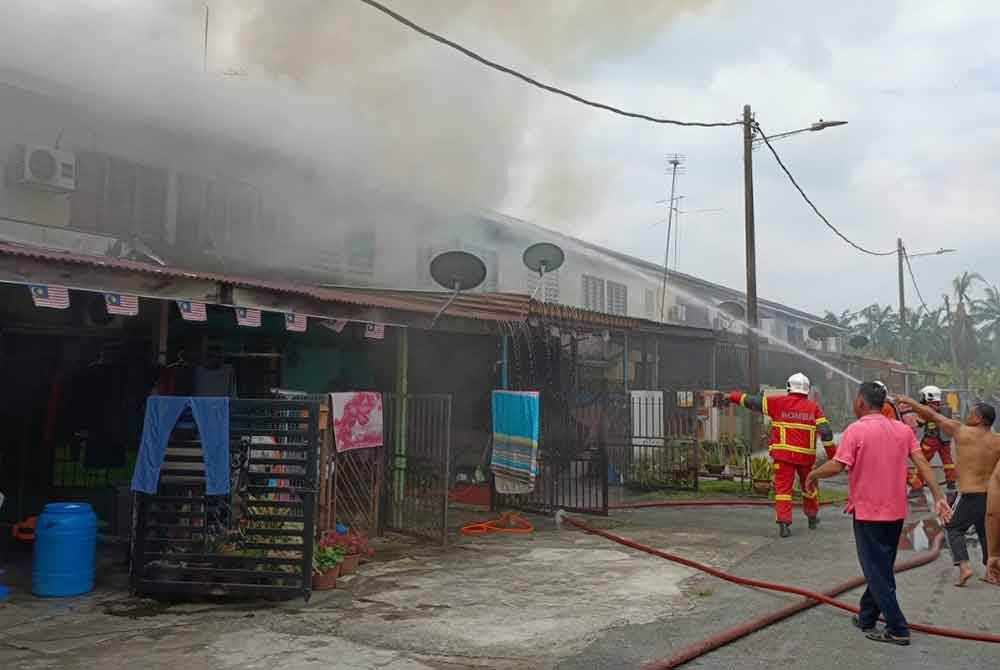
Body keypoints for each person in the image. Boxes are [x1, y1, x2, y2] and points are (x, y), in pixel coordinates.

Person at [806, 382, 951, 646]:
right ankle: (867, 616)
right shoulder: (902, 430)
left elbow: (838, 465)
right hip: (896, 511)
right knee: (881, 567)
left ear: (861, 401)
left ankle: (898, 628)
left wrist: (814, 474)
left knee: (876, 572)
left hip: (868, 513)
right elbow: (922, 464)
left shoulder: (856, 430)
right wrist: (939, 496)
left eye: (855, 399)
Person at [897, 394, 1000, 586]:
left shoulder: (961, 430)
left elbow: (932, 415)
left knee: (952, 528)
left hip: (970, 494)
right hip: (991, 496)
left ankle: (964, 566)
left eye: (971, 413)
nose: (968, 415)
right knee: (984, 531)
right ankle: (990, 571)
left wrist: (910, 403)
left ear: (979, 418)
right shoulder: (997, 440)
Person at [726, 373, 836, 538]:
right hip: (805, 457)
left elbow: (752, 402)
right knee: (809, 486)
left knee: (783, 490)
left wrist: (731, 396)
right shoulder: (813, 408)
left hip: (783, 457)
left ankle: (784, 525)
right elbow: (826, 433)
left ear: (789, 386)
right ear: (806, 389)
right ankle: (812, 517)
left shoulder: (777, 402)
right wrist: (834, 458)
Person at [908, 385, 957, 500]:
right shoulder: (945, 408)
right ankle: (951, 482)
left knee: (922, 461)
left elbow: (919, 423)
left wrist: (915, 413)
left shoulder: (928, 409)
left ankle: (917, 485)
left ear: (928, 396)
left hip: (931, 440)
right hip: (945, 440)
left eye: (923, 396)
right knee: (948, 461)